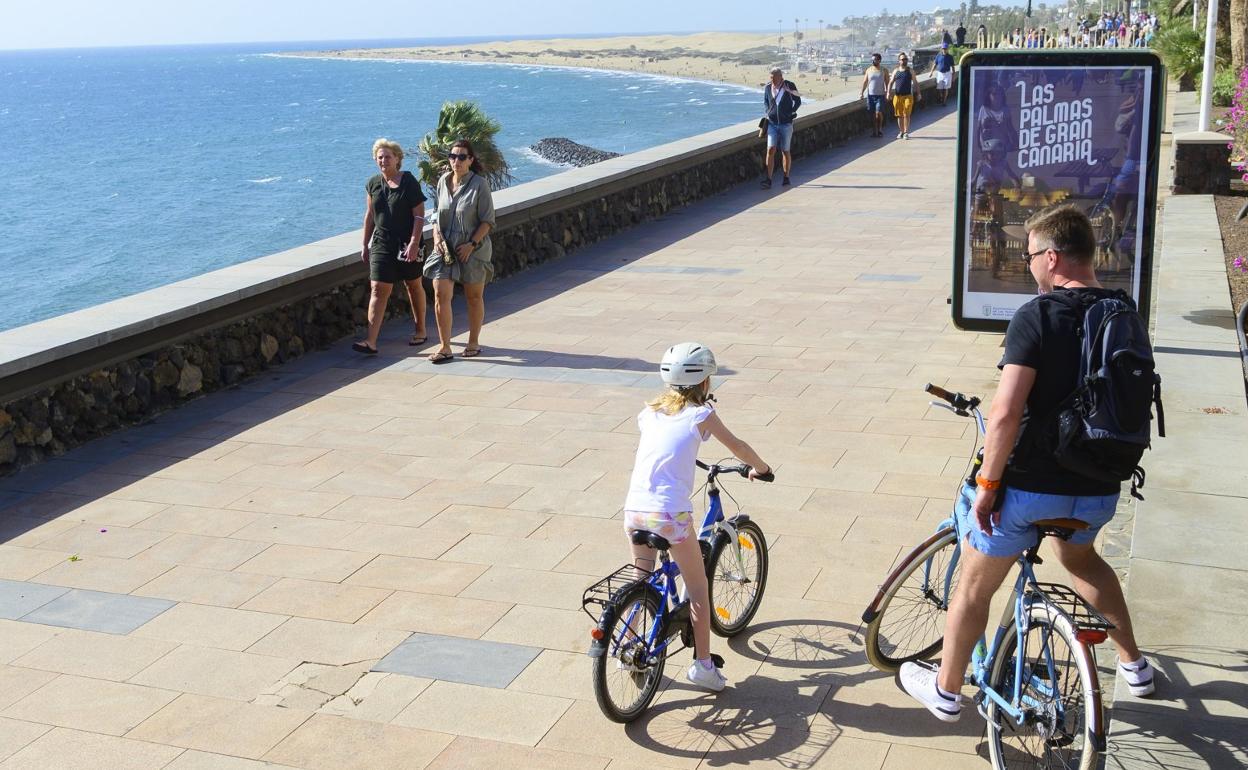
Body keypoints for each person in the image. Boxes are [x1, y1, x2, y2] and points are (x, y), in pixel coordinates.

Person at [899, 205, 1156, 723]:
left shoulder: (1036, 316)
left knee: (975, 584)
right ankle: (1135, 666)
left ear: (1054, 257)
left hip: (1032, 486)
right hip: (1101, 485)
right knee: (1082, 561)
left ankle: (946, 693)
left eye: (1031, 253)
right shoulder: (1124, 313)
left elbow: (1006, 412)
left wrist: (990, 483)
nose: (1028, 262)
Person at [624, 342, 772, 692]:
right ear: (705, 383)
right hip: (670, 514)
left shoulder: (649, 412)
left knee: (642, 581)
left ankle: (626, 646)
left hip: (634, 510)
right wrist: (760, 468)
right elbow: (736, 446)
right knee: (699, 590)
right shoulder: (701, 415)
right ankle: (703, 667)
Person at [353, 138, 428, 356]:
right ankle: (371, 341)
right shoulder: (373, 183)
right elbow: (370, 215)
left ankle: (421, 330)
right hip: (381, 244)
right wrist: (365, 244)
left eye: (388, 156)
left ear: (397, 159)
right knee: (378, 288)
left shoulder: (409, 182)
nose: (384, 160)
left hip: (407, 243)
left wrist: (414, 243)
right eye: (380, 157)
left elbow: (419, 215)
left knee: (413, 285)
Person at [425, 139, 495, 363]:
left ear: (471, 160)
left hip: (472, 248)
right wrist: (436, 235)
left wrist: (471, 245)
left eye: (462, 157)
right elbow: (435, 212)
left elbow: (487, 221)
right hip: (445, 248)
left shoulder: (480, 185)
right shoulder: (443, 182)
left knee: (474, 297)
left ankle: (473, 341)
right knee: (440, 294)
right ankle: (445, 346)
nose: (457, 161)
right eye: (453, 156)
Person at [761, 67, 801, 189]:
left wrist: (791, 111)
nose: (772, 80)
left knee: (785, 151)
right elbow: (766, 101)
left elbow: (798, 100)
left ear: (780, 76)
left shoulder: (789, 85)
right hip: (772, 123)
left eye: (774, 77)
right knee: (771, 149)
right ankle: (768, 179)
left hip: (786, 124)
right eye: (771, 77)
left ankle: (786, 177)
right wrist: (768, 110)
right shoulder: (768, 88)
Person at [887, 52, 919, 139]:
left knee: (907, 114)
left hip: (908, 96)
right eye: (902, 59)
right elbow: (890, 82)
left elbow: (915, 82)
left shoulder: (910, 71)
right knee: (899, 115)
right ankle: (901, 131)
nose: (904, 61)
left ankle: (906, 132)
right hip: (897, 97)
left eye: (905, 59)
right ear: (899, 61)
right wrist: (888, 93)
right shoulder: (896, 71)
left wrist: (919, 93)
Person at [860, 53, 889, 138]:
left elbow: (887, 82)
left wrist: (888, 92)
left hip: (880, 95)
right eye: (872, 59)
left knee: (878, 112)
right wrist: (861, 92)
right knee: (872, 114)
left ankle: (880, 129)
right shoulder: (869, 70)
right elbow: (865, 82)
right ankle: (874, 131)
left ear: (879, 60)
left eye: (875, 59)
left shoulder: (884, 70)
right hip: (870, 96)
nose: (873, 61)